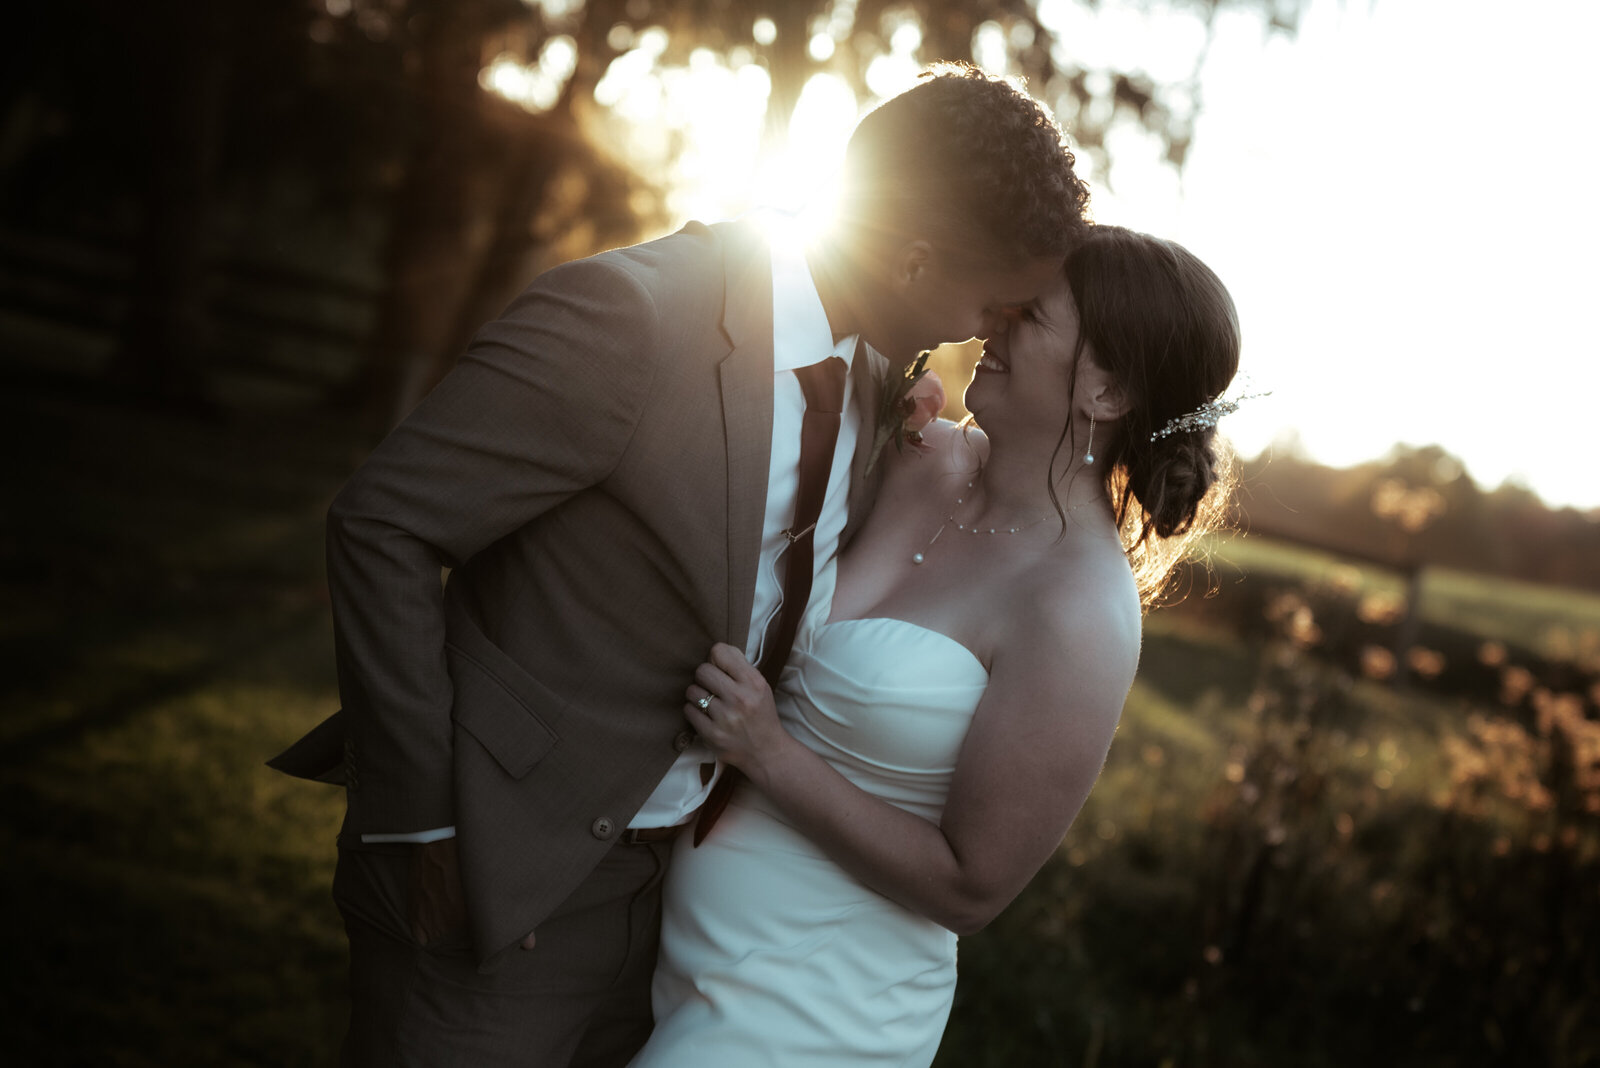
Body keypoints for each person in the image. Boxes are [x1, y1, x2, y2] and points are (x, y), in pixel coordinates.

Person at [266, 63, 1090, 1068]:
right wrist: (417, 824)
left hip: (678, 921)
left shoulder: (872, 377)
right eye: (991, 301)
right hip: (498, 876)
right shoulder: (633, 318)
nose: (984, 329)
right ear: (915, 261)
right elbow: (384, 523)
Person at [629, 224, 1244, 1067]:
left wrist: (768, 753)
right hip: (671, 948)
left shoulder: (1080, 608)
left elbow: (971, 886)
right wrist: (867, 421)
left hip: (819, 1010)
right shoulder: (918, 454)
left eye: (1029, 316)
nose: (994, 324)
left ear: (1105, 391)